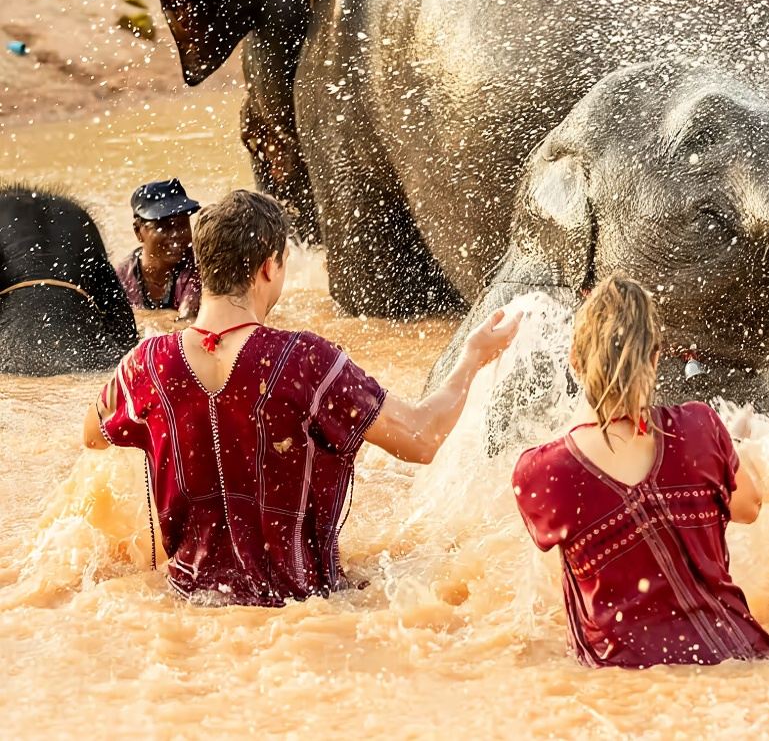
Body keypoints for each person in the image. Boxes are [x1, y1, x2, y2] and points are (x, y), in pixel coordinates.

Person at [83, 190, 521, 606]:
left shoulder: (147, 364)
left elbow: (93, 437)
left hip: (186, 601)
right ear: (269, 267)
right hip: (302, 605)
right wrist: (472, 357)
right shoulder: (305, 360)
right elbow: (423, 437)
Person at [512, 273, 769, 667]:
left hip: (625, 682)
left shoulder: (542, 471)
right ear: (655, 358)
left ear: (574, 361)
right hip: (739, 654)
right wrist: (733, 445)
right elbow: (749, 508)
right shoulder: (700, 426)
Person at [114, 178, 203, 319]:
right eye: (164, 226)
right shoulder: (121, 278)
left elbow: (187, 322)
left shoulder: (198, 269)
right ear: (138, 232)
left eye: (182, 225)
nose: (175, 235)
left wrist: (140, 317)